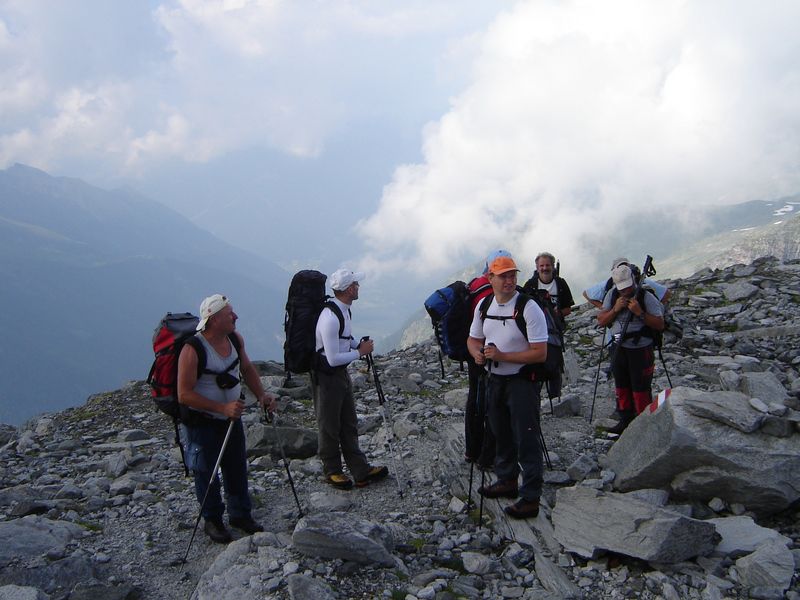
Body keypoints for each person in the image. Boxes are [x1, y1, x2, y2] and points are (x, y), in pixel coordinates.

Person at [177, 294, 277, 544]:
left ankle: (240, 514)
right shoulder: (193, 349)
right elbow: (183, 394)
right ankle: (212, 519)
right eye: (229, 314)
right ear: (213, 319)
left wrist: (262, 395)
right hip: (203, 421)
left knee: (235, 465)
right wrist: (221, 408)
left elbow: (246, 368)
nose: (235, 316)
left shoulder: (234, 338)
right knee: (205, 470)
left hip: (231, 417)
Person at [467, 256, 549, 519]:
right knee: (499, 430)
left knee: (526, 436)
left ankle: (530, 496)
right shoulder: (484, 305)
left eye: (512, 275)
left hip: (523, 381)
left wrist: (501, 356)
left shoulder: (529, 307)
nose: (509, 280)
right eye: (503, 276)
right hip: (495, 379)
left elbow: (540, 353)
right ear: (490, 278)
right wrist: (477, 354)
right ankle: (507, 480)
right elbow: (472, 339)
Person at [312, 268, 388, 490]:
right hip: (327, 376)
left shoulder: (343, 310)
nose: (358, 287)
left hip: (339, 375)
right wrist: (360, 353)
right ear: (347, 289)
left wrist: (356, 344)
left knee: (348, 422)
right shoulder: (329, 319)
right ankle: (333, 471)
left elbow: (344, 339)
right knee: (329, 424)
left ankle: (360, 470)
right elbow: (333, 358)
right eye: (355, 284)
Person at [596, 265, 665, 434]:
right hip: (618, 348)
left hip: (641, 349)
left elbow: (660, 324)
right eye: (622, 288)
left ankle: (644, 423)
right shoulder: (612, 296)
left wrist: (640, 313)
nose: (626, 291)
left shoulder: (645, 297)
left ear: (633, 280)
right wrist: (615, 309)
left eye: (628, 286)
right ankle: (625, 420)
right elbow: (602, 321)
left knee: (640, 387)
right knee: (621, 385)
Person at [464, 250, 511, 468]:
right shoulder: (487, 295)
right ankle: (485, 454)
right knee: (489, 405)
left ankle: (472, 450)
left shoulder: (475, 284)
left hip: (474, 354)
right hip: (486, 357)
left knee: (475, 403)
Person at [521, 252, 574, 399]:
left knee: (555, 364)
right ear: (537, 268)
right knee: (537, 361)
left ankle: (555, 396)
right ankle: (535, 396)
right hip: (535, 331)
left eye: (547, 265)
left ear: (552, 267)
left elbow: (568, 308)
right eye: (542, 266)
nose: (544, 268)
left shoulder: (561, 283)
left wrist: (557, 314)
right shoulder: (530, 285)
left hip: (555, 330)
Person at [583, 257, 671, 309]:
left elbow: (586, 293)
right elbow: (665, 293)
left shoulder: (607, 285)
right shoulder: (642, 282)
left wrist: (604, 308)